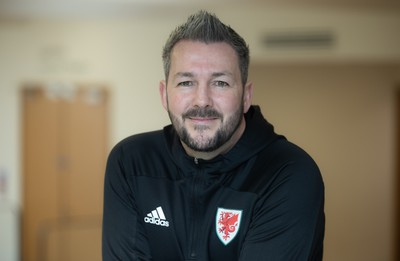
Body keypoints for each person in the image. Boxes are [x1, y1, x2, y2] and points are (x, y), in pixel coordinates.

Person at [102, 10, 325, 261]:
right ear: (165, 94)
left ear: (246, 97)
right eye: (186, 82)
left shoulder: (288, 172)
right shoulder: (132, 162)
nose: (202, 100)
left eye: (220, 83)